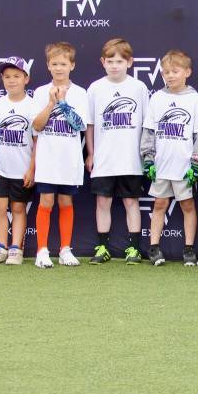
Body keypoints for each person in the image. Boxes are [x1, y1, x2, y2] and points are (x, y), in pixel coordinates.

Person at [142, 49, 198, 267]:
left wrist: (197, 163)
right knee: (159, 204)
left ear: (187, 72)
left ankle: (188, 248)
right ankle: (154, 247)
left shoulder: (196, 100)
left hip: (183, 166)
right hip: (161, 165)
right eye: (166, 72)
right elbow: (149, 131)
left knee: (187, 205)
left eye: (175, 71)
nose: (170, 76)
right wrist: (148, 159)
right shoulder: (157, 98)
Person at [86, 38, 147, 265]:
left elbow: (147, 126)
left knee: (131, 202)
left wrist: (145, 155)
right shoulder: (95, 88)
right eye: (110, 61)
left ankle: (134, 249)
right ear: (102, 62)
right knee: (103, 202)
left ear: (129, 62)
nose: (114, 65)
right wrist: (91, 154)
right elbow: (90, 125)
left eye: (119, 61)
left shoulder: (139, 88)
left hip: (131, 160)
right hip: (104, 160)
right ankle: (102, 247)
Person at [32, 41, 90, 269]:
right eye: (54, 64)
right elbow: (36, 126)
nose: (59, 68)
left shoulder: (80, 93)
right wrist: (50, 103)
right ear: (48, 66)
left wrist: (64, 103)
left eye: (63, 64)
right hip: (47, 158)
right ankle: (42, 251)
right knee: (46, 202)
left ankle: (65, 249)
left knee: (66, 202)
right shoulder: (39, 92)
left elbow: (79, 125)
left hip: (70, 159)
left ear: (72, 66)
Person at [0, 56, 38, 265]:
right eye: (7, 77)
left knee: (18, 208)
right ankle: (0, 247)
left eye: (16, 76)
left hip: (22, 170)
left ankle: (16, 249)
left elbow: (37, 141)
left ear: (26, 78)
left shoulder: (33, 106)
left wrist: (32, 169)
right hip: (1, 169)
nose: (11, 80)